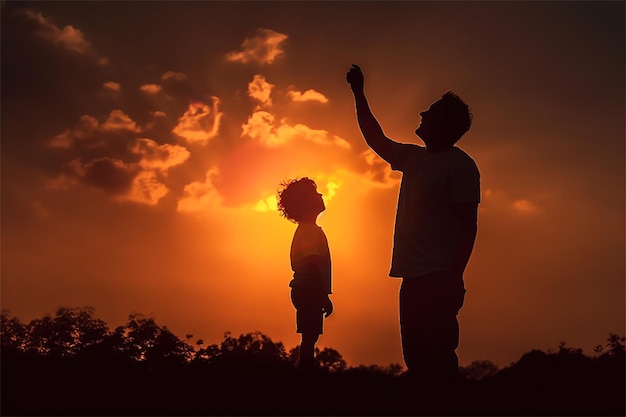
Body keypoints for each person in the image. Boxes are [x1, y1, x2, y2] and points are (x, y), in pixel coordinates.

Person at [346, 64, 480, 383]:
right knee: (417, 361)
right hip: (411, 278)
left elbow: (468, 226)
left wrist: (454, 277)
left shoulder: (461, 165)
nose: (421, 113)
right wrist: (359, 93)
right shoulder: (413, 159)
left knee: (439, 360)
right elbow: (375, 138)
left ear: (444, 124)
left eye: (430, 111)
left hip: (438, 278)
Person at [277, 177, 333, 370]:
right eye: (315, 194)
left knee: (310, 335)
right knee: (310, 337)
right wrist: (323, 295)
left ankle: (307, 370)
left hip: (306, 289)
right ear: (305, 203)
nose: (321, 195)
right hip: (308, 289)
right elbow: (312, 265)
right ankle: (306, 373)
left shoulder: (309, 230)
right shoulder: (308, 231)